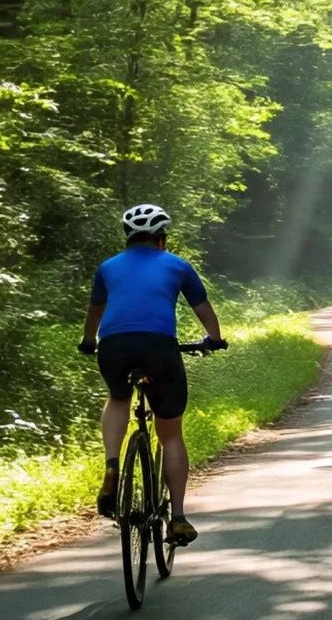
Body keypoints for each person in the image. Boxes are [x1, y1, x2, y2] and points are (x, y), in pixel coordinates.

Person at [78, 203, 225, 547]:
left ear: (128, 238)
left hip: (114, 347)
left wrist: (88, 342)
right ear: (162, 239)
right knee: (170, 434)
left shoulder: (107, 267)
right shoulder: (177, 265)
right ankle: (178, 518)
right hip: (159, 347)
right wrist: (215, 339)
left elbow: (95, 310)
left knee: (118, 398)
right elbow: (202, 308)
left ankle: (112, 465)